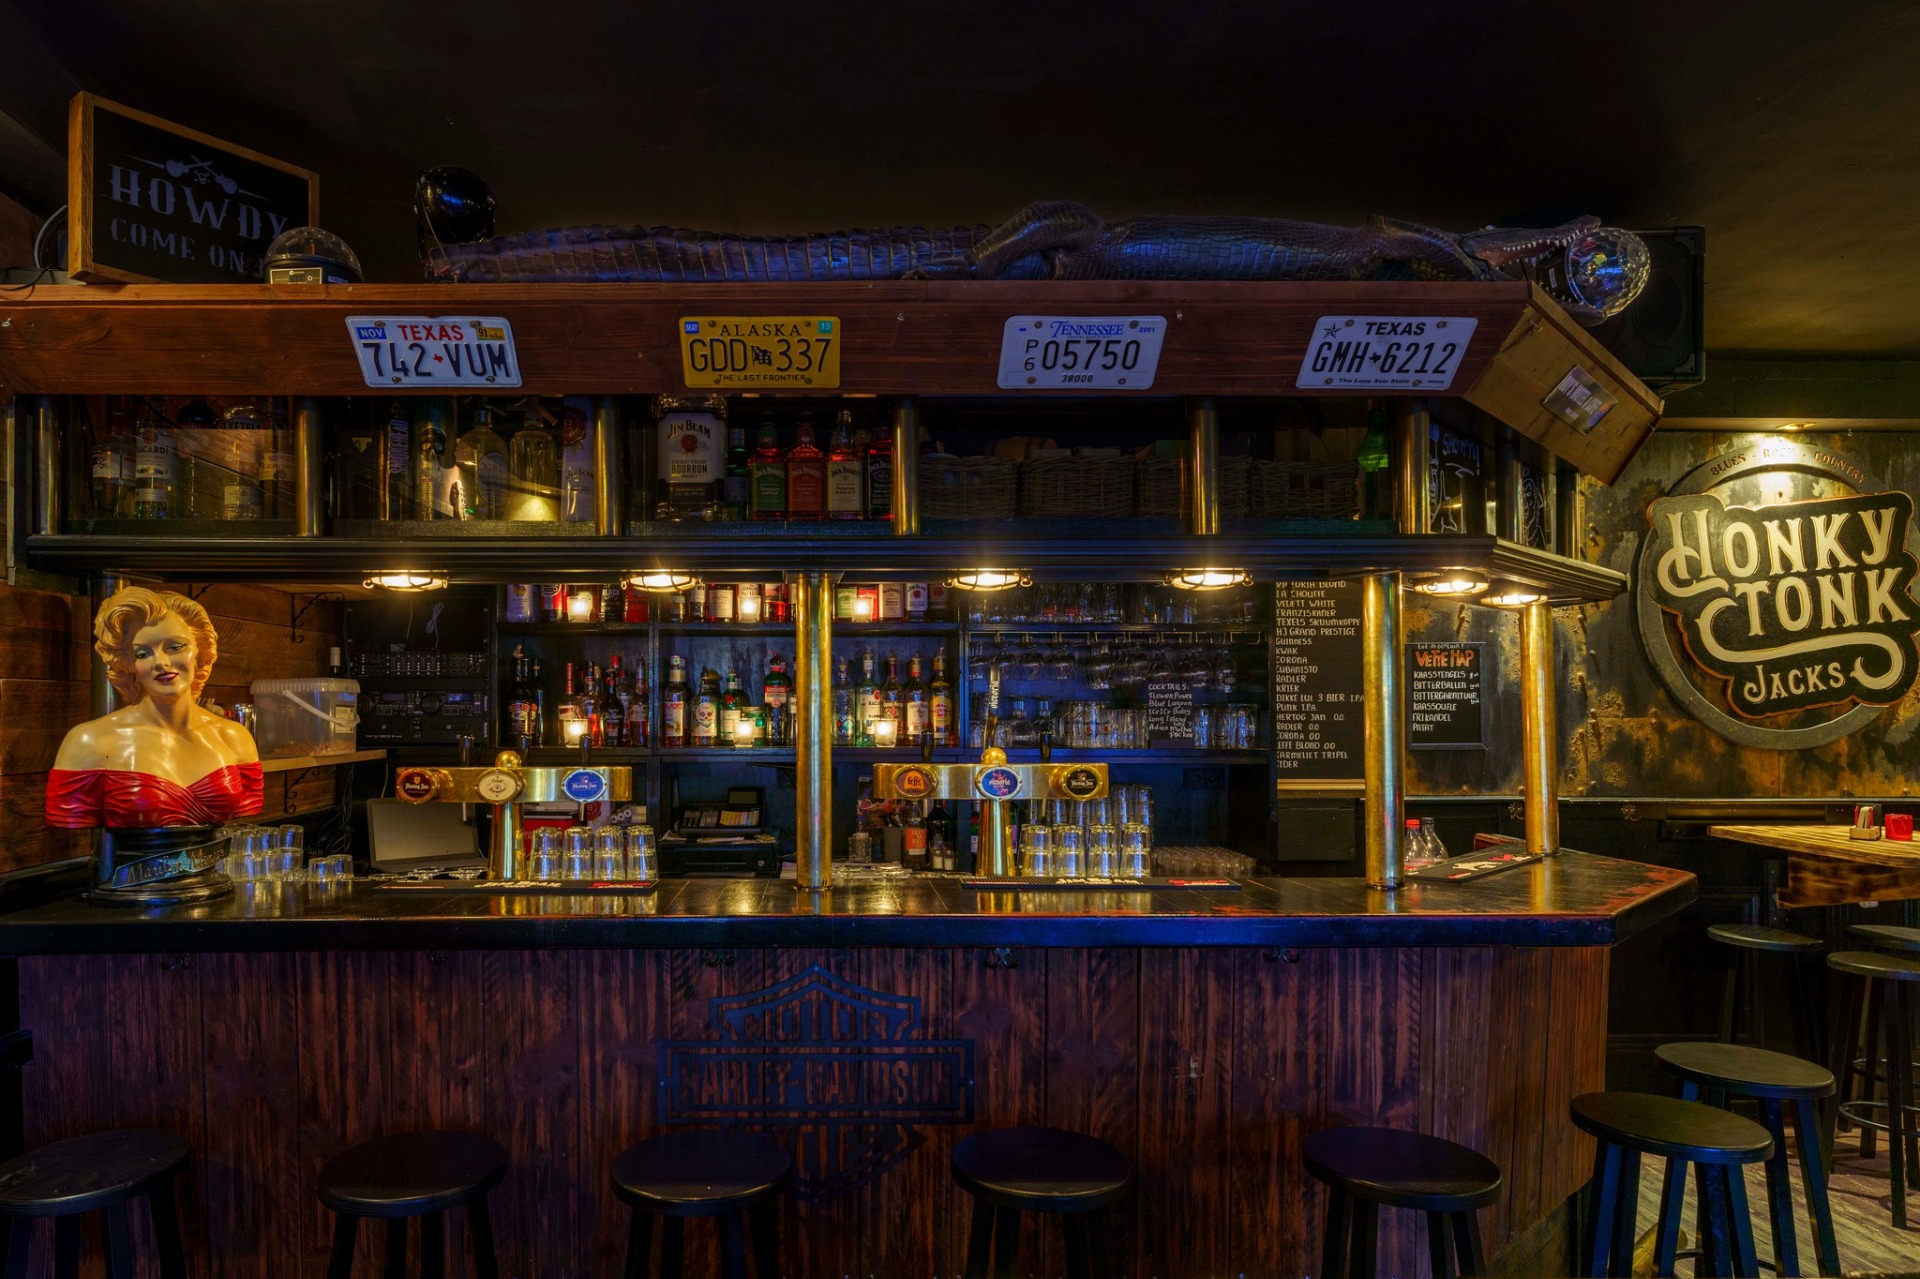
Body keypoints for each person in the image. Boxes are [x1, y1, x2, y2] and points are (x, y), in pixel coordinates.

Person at [46, 588, 261, 899]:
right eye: (143, 653)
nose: (161, 662)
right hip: (133, 905)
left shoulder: (234, 737)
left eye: (174, 647)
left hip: (215, 898)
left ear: (199, 651)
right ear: (128, 663)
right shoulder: (88, 742)